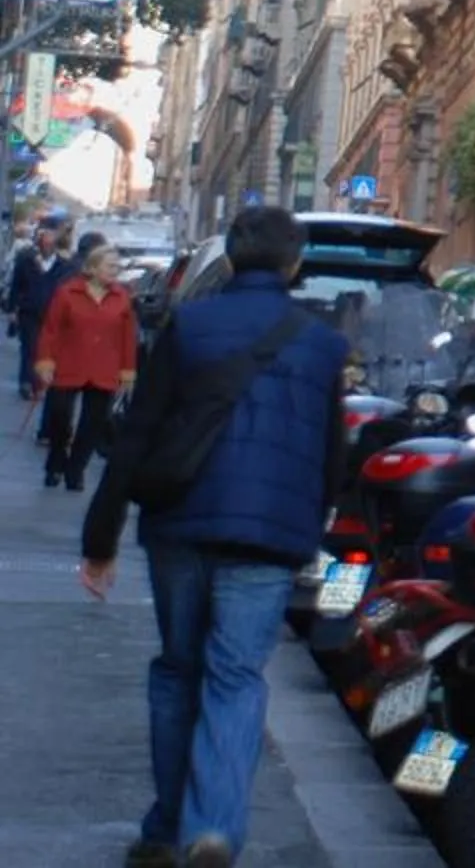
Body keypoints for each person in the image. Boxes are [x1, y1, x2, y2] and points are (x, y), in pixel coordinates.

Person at [80, 205, 351, 868]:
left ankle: (168, 826)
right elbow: (332, 455)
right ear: (296, 265)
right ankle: (213, 828)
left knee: (179, 670)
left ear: (229, 258)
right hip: (268, 538)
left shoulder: (189, 324)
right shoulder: (322, 343)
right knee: (235, 677)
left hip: (181, 524)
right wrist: (309, 527)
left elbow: (138, 432)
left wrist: (101, 537)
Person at [37, 239, 139, 488]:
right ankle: (56, 460)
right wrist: (45, 361)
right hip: (68, 363)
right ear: (92, 268)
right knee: (59, 416)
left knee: (93, 423)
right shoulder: (68, 292)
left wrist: (127, 372)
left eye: (117, 267)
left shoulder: (122, 298)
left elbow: (128, 337)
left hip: (104, 367)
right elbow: (51, 329)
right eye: (110, 266)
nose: (115, 271)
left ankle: (76, 470)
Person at [10, 213, 73, 397]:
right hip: (29, 310)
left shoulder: (63, 264)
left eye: (51, 236)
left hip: (52, 312)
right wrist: (13, 308)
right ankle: (26, 383)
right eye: (44, 235)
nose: (47, 240)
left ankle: (38, 384)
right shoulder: (26, 258)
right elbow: (16, 284)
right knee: (29, 346)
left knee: (44, 348)